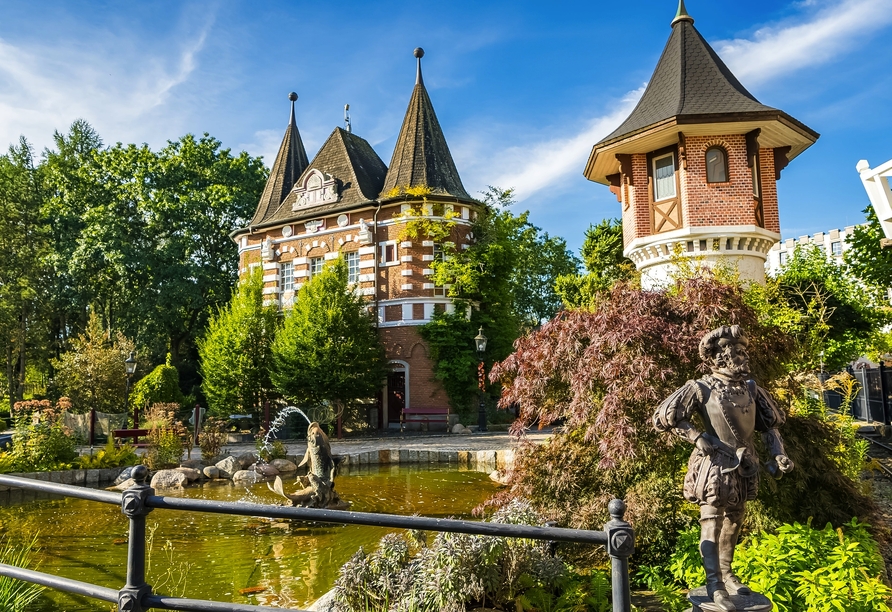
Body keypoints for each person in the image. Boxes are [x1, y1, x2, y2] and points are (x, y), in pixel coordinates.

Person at [653, 325, 793, 612]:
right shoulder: (700, 388)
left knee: (734, 521)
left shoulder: (752, 389)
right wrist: (695, 435)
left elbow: (770, 428)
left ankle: (728, 575)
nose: (743, 356)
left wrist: (779, 454)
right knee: (712, 522)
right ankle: (714, 583)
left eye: (743, 351)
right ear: (719, 356)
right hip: (715, 466)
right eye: (737, 352)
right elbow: (665, 417)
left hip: (745, 465)